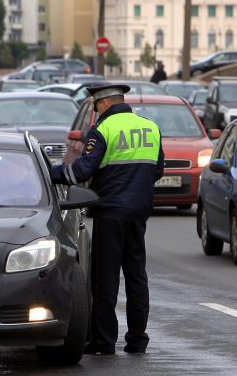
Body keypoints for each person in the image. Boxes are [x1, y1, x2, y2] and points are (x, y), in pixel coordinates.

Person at [51, 83, 164, 356]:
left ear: (103, 104)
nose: (95, 111)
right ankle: (137, 340)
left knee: (106, 278)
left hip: (111, 211)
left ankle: (104, 341)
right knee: (137, 275)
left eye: (95, 106)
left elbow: (83, 169)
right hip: (139, 211)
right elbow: (158, 169)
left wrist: (53, 173)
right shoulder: (150, 127)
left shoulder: (103, 129)